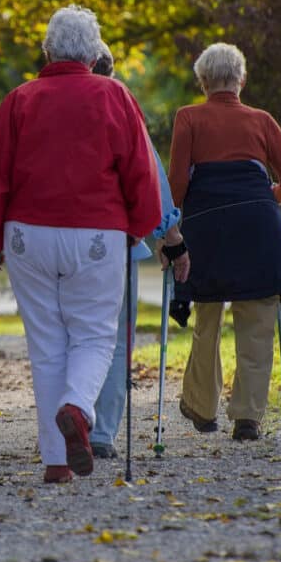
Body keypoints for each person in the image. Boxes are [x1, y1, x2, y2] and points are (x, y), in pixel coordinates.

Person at [0, 5, 171, 484]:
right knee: (96, 334)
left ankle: (56, 461)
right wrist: (140, 226)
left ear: (47, 50)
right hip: (97, 231)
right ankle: (78, 408)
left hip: (27, 234)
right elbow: (139, 172)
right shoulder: (114, 95)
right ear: (96, 53)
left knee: (47, 342)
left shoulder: (20, 100)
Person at [169, 42, 281, 442]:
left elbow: (177, 185)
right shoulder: (262, 120)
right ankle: (247, 417)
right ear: (241, 80)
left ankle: (202, 406)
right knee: (258, 322)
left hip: (207, 232)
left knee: (207, 319)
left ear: (203, 81)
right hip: (259, 231)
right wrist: (262, 201)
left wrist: (171, 230)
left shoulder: (188, 118)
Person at [89, 43, 186, 459]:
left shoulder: (42, 105)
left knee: (69, 337)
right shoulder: (121, 108)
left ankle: (69, 419)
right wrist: (172, 240)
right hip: (117, 242)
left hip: (53, 241)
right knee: (114, 338)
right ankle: (102, 431)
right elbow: (151, 178)